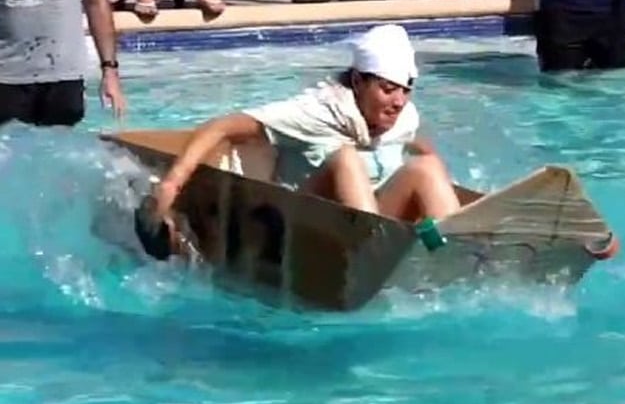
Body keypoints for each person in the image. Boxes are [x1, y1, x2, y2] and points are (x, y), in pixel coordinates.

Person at [136, 24, 460, 258]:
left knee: (427, 167)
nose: (399, 101)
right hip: (309, 226)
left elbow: (421, 148)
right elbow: (222, 127)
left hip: (376, 219)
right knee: (346, 158)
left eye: (405, 90)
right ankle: (373, 250)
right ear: (359, 81)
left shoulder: (403, 118)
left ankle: (460, 250)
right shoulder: (315, 111)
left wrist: (446, 186)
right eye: (388, 90)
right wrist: (172, 184)